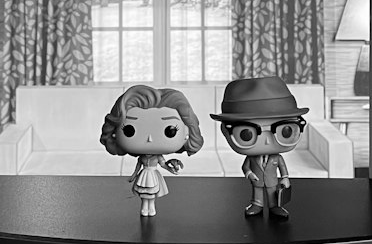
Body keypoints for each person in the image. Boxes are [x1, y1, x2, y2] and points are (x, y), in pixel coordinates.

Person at [211, 75, 308, 220]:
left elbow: (282, 168)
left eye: (285, 131)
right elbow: (245, 167)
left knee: (272, 193)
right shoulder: (251, 158)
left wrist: (285, 178)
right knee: (257, 192)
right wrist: (249, 173)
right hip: (257, 180)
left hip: (272, 182)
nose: (268, 142)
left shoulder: (277, 157)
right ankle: (256, 204)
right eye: (246, 134)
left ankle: (275, 206)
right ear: (225, 131)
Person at [100, 85, 204, 217]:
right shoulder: (143, 158)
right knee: (145, 194)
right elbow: (138, 166)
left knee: (151, 194)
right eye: (129, 130)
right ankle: (145, 208)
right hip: (145, 175)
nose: (149, 138)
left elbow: (163, 164)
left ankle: (151, 208)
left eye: (170, 130)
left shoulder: (157, 157)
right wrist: (133, 176)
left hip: (152, 175)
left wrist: (171, 168)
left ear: (187, 131)